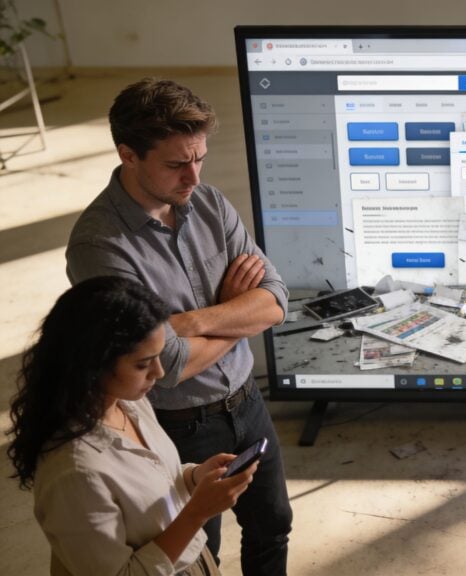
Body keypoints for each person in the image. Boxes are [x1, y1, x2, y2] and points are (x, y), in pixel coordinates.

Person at [65, 78, 292, 575]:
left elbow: (275, 300)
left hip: (247, 402)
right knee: (192, 555)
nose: (193, 177)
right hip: (175, 426)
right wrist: (236, 313)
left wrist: (188, 322)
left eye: (200, 158)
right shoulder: (99, 246)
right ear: (128, 154)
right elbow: (165, 364)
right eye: (175, 164)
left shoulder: (208, 203)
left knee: (273, 525)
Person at [6, 277, 258, 575]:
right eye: (143, 364)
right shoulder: (74, 474)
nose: (159, 372)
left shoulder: (127, 402)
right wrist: (198, 512)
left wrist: (193, 477)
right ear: (93, 364)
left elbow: (149, 482)